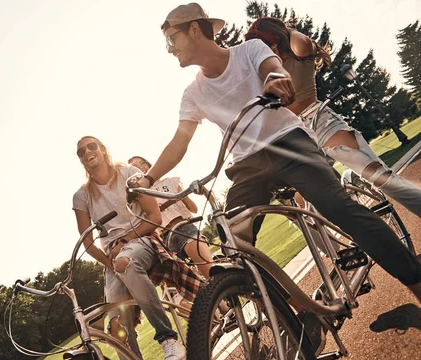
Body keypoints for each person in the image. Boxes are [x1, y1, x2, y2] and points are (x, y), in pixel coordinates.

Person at [137, 1, 421, 315]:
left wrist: (276, 80)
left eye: (171, 40)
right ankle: (296, 316)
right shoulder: (193, 93)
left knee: (339, 209)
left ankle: (416, 281)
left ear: (193, 29)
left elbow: (272, 69)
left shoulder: (250, 50)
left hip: (290, 145)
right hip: (248, 167)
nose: (169, 49)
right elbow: (180, 141)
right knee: (234, 242)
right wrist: (147, 179)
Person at [244, 16, 421, 218]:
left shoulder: (299, 54)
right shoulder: (267, 71)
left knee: (380, 177)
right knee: (305, 209)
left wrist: (282, 30)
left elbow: (300, 42)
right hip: (294, 136)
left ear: (275, 39)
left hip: (321, 122)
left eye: (266, 44)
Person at [72, 136, 204, 360]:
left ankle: (167, 338)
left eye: (92, 146)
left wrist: (125, 241)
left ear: (103, 149)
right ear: (80, 160)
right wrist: (110, 260)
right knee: (118, 333)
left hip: (142, 238)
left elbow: (154, 218)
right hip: (113, 257)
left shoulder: (131, 175)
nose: (87, 152)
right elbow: (88, 243)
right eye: (81, 151)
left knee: (127, 263)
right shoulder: (81, 196)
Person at [128, 155, 214, 279]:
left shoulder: (171, 182)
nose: (142, 168)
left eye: (143, 163)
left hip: (183, 228)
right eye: (135, 167)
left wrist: (183, 196)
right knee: (189, 286)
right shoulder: (139, 197)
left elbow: (193, 209)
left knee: (210, 272)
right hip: (164, 239)